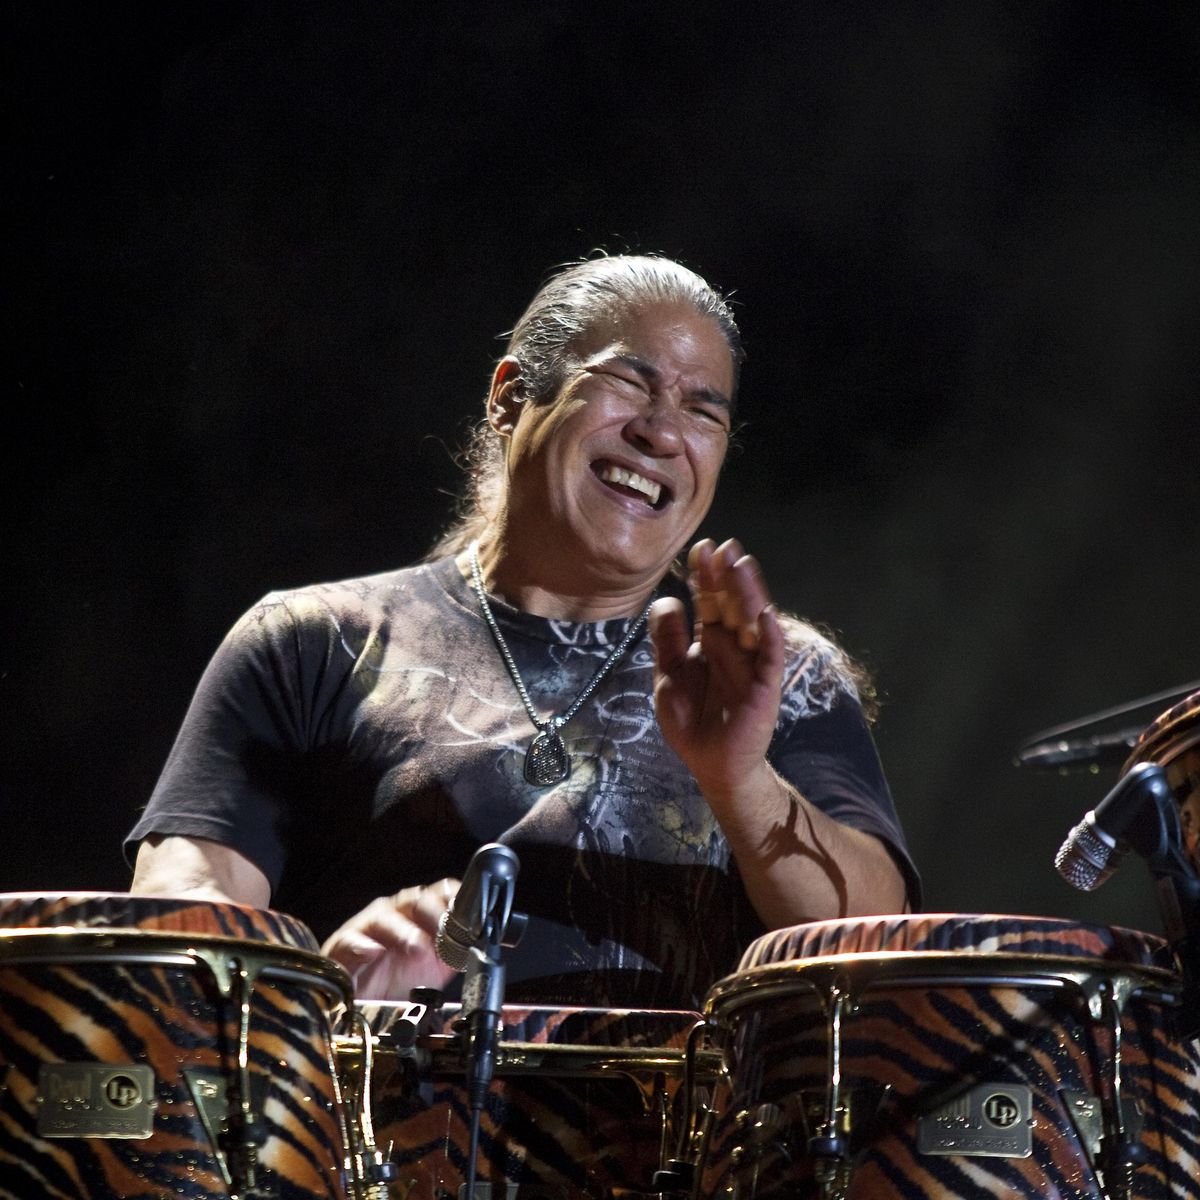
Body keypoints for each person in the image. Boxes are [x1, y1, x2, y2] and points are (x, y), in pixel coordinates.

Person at [127, 254, 919, 1011]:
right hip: (365, 1102)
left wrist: (741, 780)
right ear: (510, 398)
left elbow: (879, 956)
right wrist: (321, 995)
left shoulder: (778, 675)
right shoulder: (312, 645)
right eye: (628, 382)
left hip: (682, 1112)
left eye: (703, 411)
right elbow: (179, 940)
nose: (662, 432)